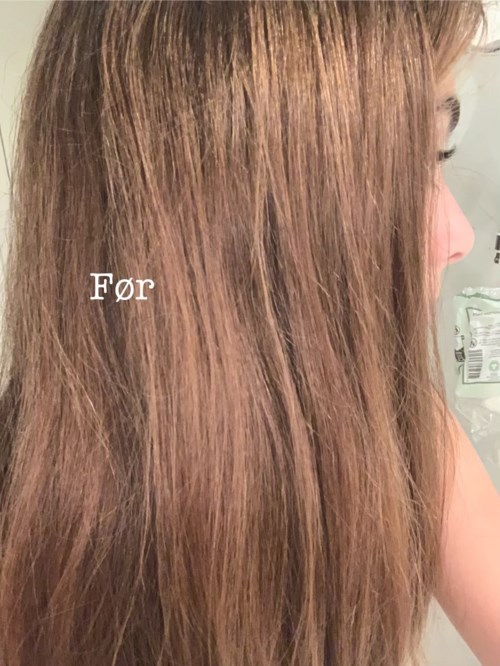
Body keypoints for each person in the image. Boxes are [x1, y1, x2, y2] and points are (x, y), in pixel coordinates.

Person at [0, 2, 498, 665]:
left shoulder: (408, 430)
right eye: (401, 167)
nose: (457, 236)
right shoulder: (30, 506)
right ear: (232, 219)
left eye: (437, 155)